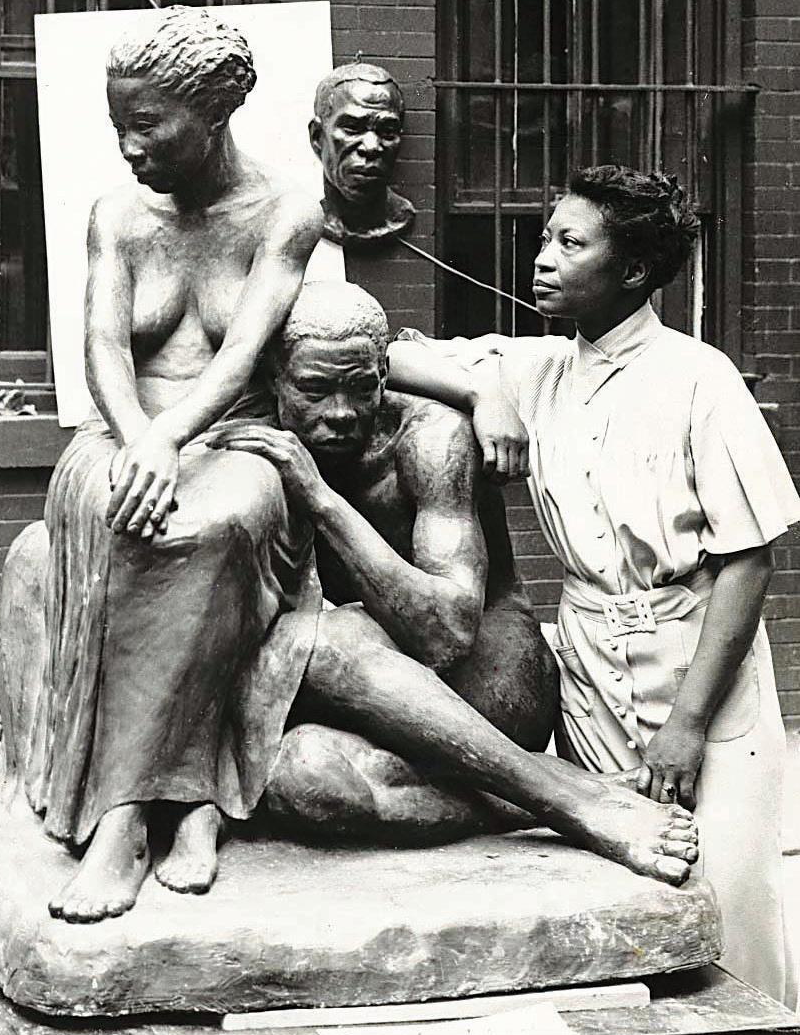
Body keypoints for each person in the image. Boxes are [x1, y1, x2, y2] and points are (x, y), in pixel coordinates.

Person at [387, 165, 800, 1004]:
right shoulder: (533, 367)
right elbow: (377, 354)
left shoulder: (699, 377)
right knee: (620, 901)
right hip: (589, 669)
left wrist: (687, 726)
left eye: (570, 243)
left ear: (633, 270)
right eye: (546, 236)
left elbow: (748, 562)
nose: (542, 257)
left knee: (728, 909)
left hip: (698, 663)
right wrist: (480, 390)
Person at [209, 280, 700, 883]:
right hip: (370, 684)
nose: (340, 413)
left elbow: (447, 632)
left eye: (361, 388)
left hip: (490, 676)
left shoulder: (430, 440)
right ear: (273, 379)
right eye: (314, 391)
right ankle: (560, 790)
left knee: (320, 640)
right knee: (302, 777)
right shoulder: (252, 430)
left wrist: (323, 502)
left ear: (383, 375)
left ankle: (574, 805)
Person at [13, 6, 323, 924]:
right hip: (118, 432)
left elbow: (244, 354)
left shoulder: (285, 212)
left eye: (147, 125)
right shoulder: (117, 215)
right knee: (127, 513)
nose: (128, 146)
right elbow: (103, 346)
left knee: (211, 526)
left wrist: (174, 437)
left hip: (233, 437)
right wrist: (141, 437)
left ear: (215, 112)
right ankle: (155, 812)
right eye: (118, 124)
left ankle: (159, 807)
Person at [309, 62, 415, 245]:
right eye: (352, 128)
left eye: (387, 131)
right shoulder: (303, 219)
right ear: (317, 137)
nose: (371, 147)